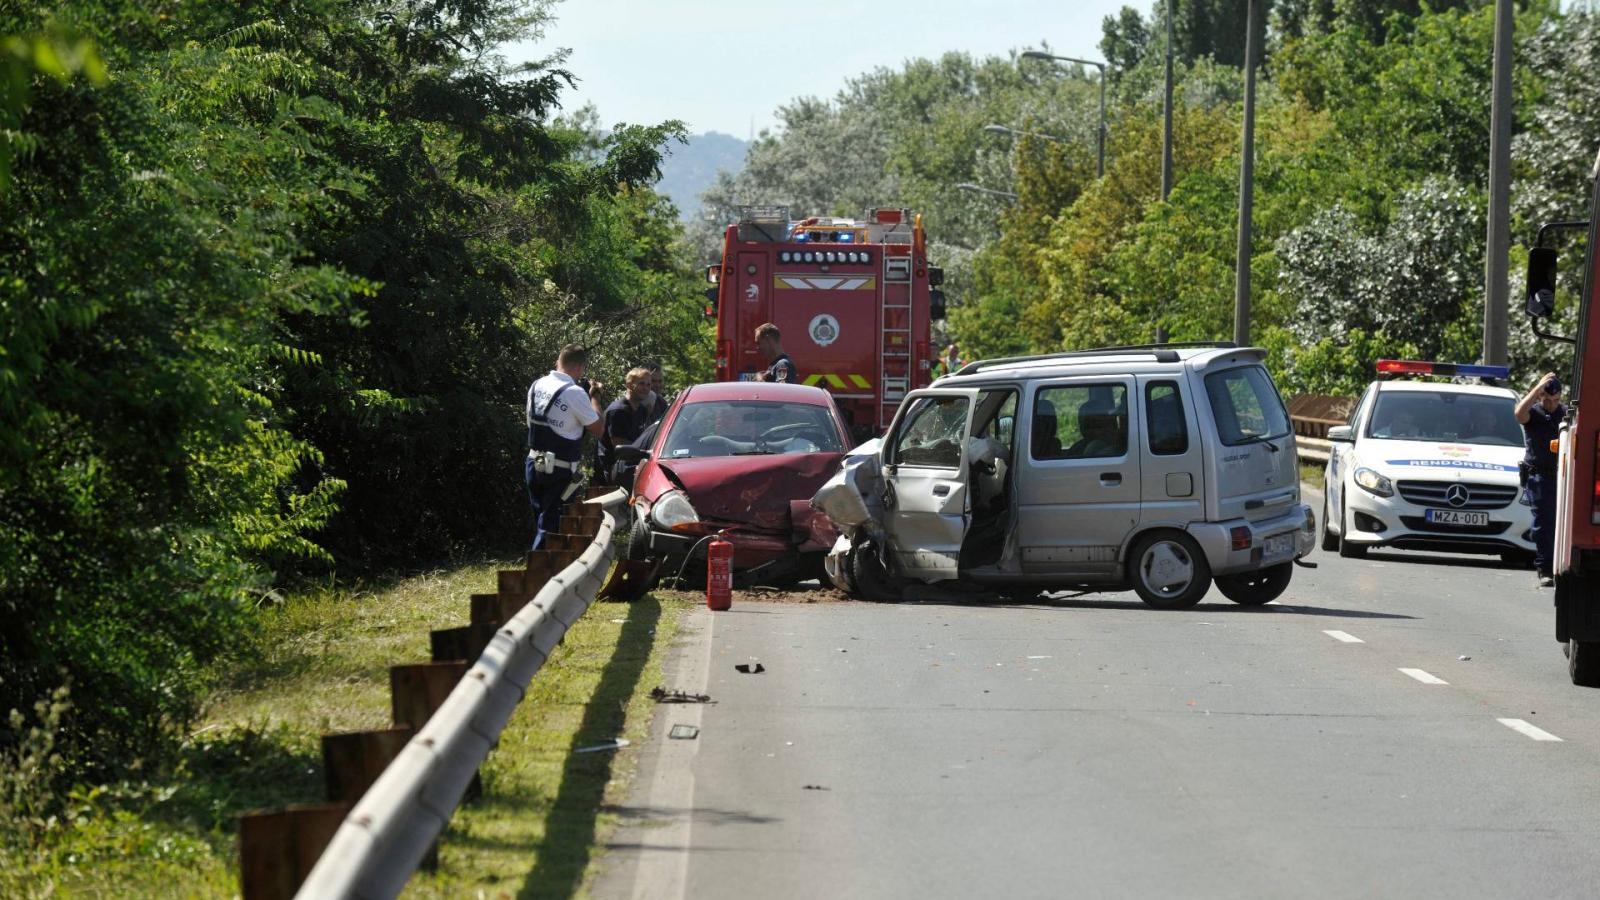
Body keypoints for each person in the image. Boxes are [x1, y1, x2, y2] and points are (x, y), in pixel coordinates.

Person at [526, 344, 605, 550]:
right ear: (579, 368)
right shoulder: (575, 393)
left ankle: (543, 569)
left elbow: (530, 422)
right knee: (551, 524)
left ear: (558, 362)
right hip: (559, 469)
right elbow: (598, 429)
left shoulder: (537, 384)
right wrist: (595, 397)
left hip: (534, 462)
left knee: (541, 520)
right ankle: (538, 576)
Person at [1516, 372, 1566, 587]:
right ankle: (1545, 569)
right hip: (1540, 476)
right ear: (1540, 397)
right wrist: (1537, 388)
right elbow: (1519, 414)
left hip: (1562, 475)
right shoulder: (1534, 414)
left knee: (1561, 524)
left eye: (1555, 400)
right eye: (1546, 399)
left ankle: (1561, 569)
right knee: (1543, 524)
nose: (1551, 404)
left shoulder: (1565, 414)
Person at [598, 367, 654, 485]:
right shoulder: (618, 411)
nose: (646, 388)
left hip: (633, 465)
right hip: (613, 469)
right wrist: (644, 451)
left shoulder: (642, 410)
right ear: (629, 385)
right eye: (641, 384)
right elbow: (619, 446)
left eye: (648, 385)